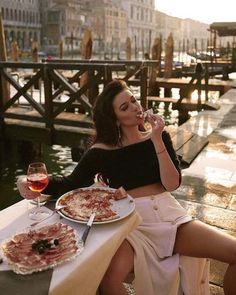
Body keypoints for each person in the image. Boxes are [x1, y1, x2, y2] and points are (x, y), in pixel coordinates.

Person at [17, 79, 236, 295]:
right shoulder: (101, 151)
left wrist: (157, 139)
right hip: (132, 223)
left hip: (171, 218)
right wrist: (32, 181)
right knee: (108, 279)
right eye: (125, 107)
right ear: (115, 120)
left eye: (133, 101)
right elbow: (70, 184)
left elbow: (172, 184)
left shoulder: (159, 137)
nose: (135, 108)